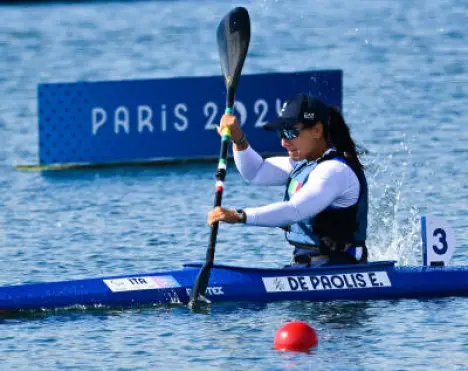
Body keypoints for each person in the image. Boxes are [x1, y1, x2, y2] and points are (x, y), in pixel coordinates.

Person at [207, 93, 368, 267]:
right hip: (308, 264)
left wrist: (239, 216)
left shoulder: (334, 171)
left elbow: (294, 210)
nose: (284, 142)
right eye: (281, 133)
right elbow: (255, 172)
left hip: (342, 267)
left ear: (317, 131)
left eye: (291, 132)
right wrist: (238, 139)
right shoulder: (304, 164)